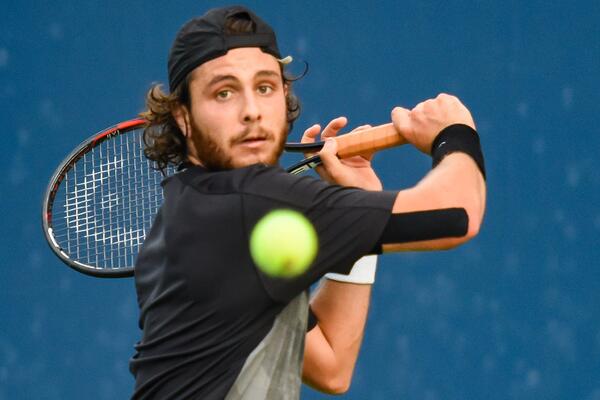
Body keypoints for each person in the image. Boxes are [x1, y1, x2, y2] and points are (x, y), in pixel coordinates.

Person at [129, 5, 487, 400]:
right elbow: (459, 213)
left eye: (264, 87)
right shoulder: (252, 201)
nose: (251, 112)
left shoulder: (186, 213)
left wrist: (361, 201)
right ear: (183, 117)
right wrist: (454, 133)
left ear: (284, 96)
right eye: (224, 93)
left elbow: (332, 365)